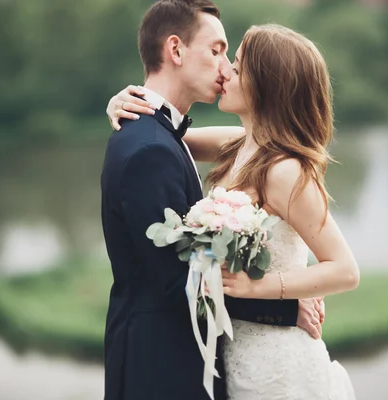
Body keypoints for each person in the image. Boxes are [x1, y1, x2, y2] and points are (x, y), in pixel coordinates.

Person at [106, 23, 360, 400]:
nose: (224, 70)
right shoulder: (240, 144)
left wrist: (264, 287)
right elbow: (161, 137)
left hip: (278, 367)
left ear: (266, 86)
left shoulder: (285, 169)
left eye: (237, 66)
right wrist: (122, 103)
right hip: (235, 359)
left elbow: (345, 270)